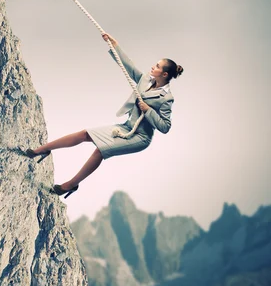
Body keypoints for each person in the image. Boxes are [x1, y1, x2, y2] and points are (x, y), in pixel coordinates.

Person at [25, 33, 183, 198]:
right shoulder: (145, 80)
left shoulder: (166, 98)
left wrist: (148, 110)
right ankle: (41, 150)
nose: (153, 67)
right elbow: (129, 67)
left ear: (164, 74)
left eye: (157, 66)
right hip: (126, 127)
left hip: (140, 138)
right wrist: (114, 46)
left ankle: (70, 185)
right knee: (84, 134)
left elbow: (165, 127)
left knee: (100, 151)